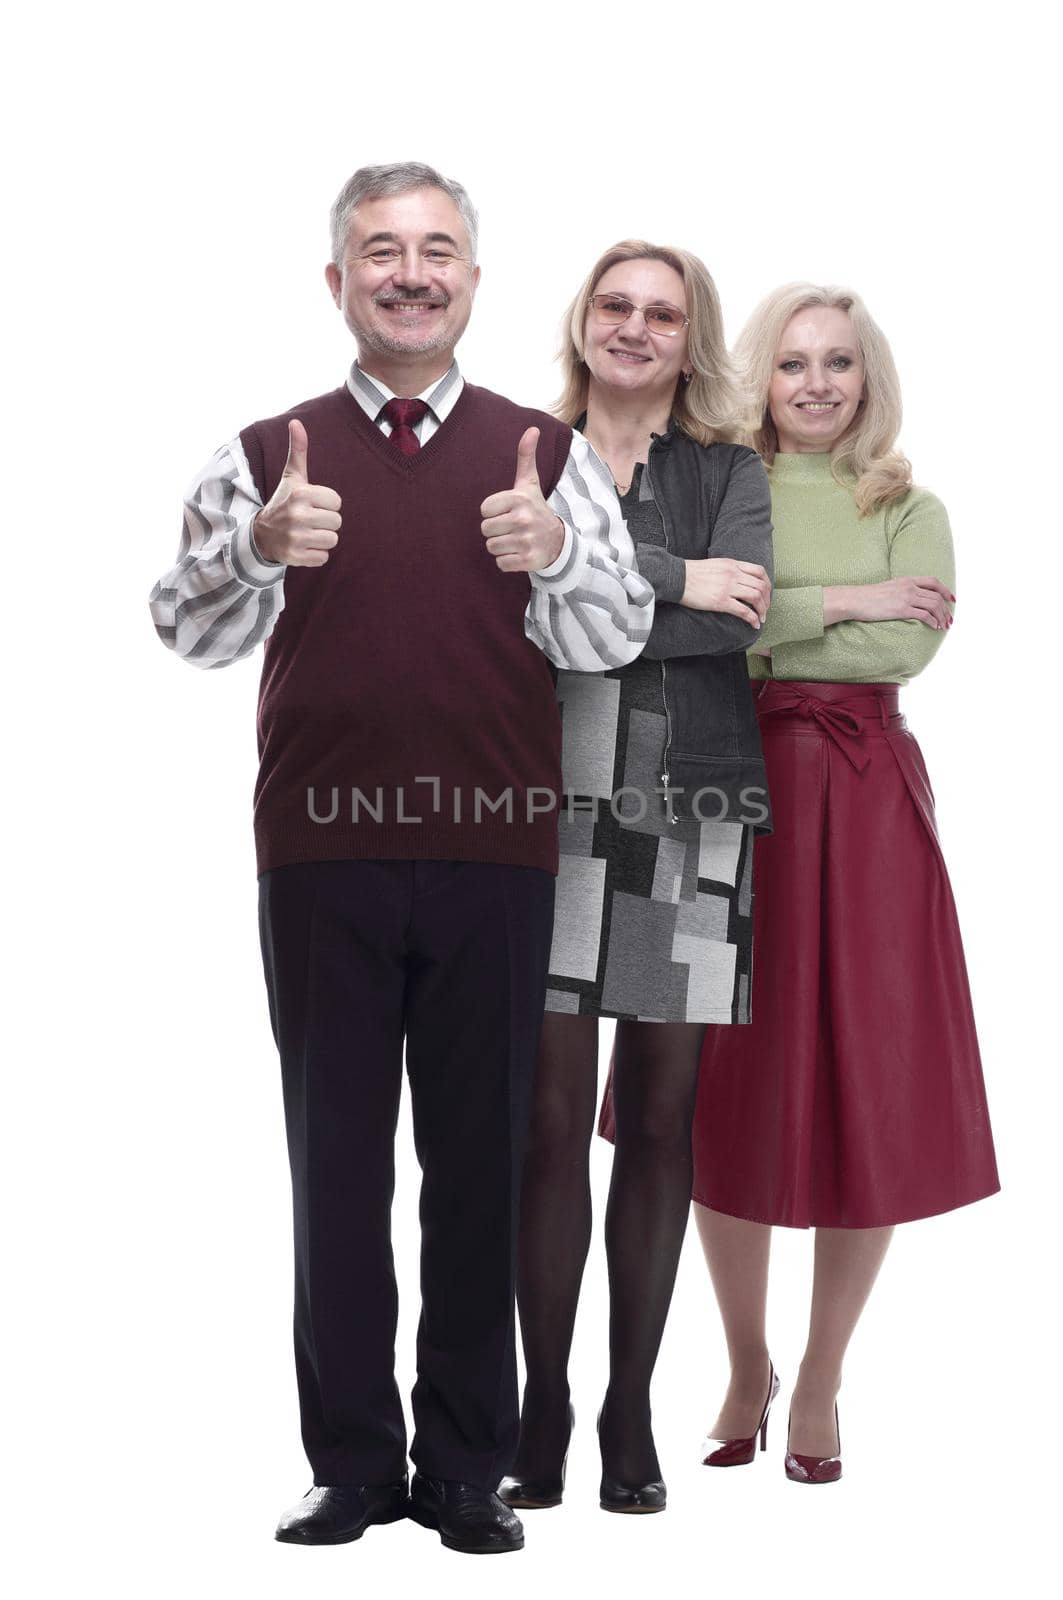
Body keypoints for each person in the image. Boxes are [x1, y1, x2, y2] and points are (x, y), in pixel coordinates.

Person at [149, 162, 655, 1556]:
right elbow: (183, 632)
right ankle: (354, 1465)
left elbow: (609, 639)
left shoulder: (541, 459)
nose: (410, 272)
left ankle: (465, 1471)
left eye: (437, 250)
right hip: (320, 858)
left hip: (496, 854)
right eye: (381, 250)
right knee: (334, 1167)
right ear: (338, 280)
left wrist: (555, 551)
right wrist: (257, 546)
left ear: (473, 282)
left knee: (480, 1164)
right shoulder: (265, 454)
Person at [677, 283, 1000, 1484]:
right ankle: (740, 1357)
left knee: (870, 1075)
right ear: (758, 377)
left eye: (839, 365)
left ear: (868, 381)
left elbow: (905, 645)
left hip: (863, 802)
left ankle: (818, 1373)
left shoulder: (910, 506)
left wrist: (782, 618)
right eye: (792, 363)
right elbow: (706, 634)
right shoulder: (720, 490)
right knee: (725, 1075)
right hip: (726, 788)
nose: (814, 384)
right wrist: (846, 600)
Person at [496, 242, 773, 1516]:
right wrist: (669, 574)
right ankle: (540, 1403)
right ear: (581, 320)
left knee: (657, 1124)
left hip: (690, 806)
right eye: (614, 304)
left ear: (686, 337)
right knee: (547, 1126)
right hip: (542, 805)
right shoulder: (523, 450)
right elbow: (511, 612)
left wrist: (590, 575)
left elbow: (734, 621)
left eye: (661, 313)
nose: (634, 326)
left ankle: (626, 1411)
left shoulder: (728, 470)